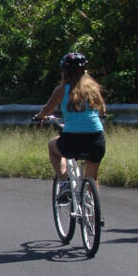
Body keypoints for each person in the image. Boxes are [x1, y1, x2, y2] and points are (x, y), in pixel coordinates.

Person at [33, 52, 106, 200]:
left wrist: (40, 116)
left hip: (72, 140)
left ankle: (65, 182)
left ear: (64, 71)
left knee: (52, 145)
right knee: (92, 178)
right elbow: (102, 110)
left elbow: (48, 109)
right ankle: (94, 217)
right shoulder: (93, 89)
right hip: (96, 139)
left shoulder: (62, 89)